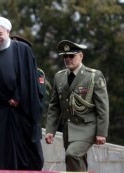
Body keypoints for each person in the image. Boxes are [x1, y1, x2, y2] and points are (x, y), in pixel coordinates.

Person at [0, 16, 44, 170]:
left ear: (7, 31)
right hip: (1, 112)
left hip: (23, 110)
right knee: (3, 152)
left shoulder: (23, 50)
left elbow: (30, 79)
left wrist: (18, 97)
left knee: (30, 152)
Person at [45, 40, 109, 172]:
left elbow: (103, 107)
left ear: (81, 56)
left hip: (87, 127)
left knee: (72, 154)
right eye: (65, 56)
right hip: (68, 129)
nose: (68, 59)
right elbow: (54, 107)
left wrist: (102, 132)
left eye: (72, 56)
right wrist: (50, 130)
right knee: (78, 160)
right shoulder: (59, 77)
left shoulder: (94, 76)